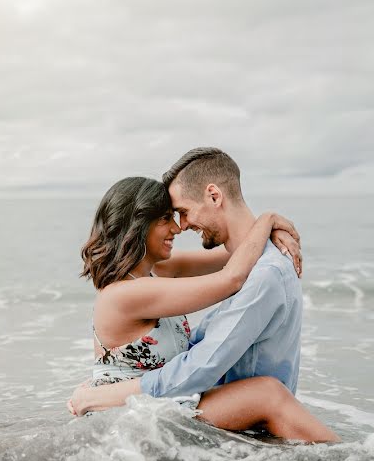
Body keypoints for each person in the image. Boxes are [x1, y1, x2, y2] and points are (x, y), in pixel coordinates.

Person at [69, 152, 338, 443]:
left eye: (180, 213)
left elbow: (234, 257)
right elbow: (231, 278)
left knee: (266, 391)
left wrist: (267, 233)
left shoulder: (157, 271)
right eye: (166, 218)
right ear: (138, 226)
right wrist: (267, 219)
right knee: (267, 394)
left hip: (157, 399)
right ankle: (346, 459)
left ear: (213, 195)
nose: (179, 227)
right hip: (127, 406)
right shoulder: (126, 293)